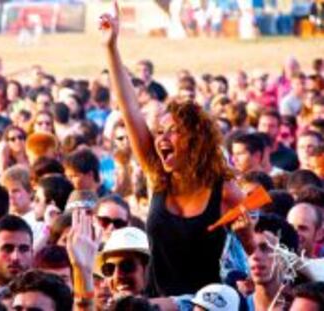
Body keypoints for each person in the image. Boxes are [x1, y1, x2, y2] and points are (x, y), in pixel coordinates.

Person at [99, 5, 248, 296]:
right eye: (159, 132)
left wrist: (250, 242)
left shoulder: (225, 191)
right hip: (156, 304)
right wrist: (111, 48)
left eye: (172, 132)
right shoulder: (158, 176)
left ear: (195, 140)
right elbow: (130, 109)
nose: (161, 139)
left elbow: (259, 243)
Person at [0, 215, 33, 287]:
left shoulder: (48, 296)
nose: (16, 257)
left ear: (32, 253)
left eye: (23, 249)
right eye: (7, 249)